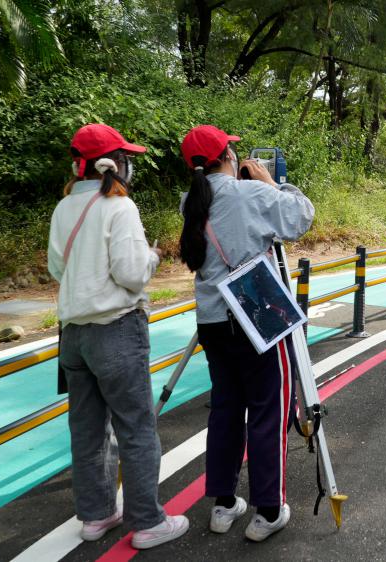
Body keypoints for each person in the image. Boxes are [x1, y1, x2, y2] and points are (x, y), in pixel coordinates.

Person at [48, 124, 189, 549]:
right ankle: (147, 522)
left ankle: (96, 515)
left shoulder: (63, 208)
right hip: (116, 330)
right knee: (136, 428)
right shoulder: (119, 207)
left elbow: (57, 269)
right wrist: (152, 257)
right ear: (116, 164)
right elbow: (129, 274)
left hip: (73, 336)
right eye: (127, 158)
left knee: (87, 431)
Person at [178, 125, 315, 542]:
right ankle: (268, 511)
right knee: (268, 411)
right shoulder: (251, 193)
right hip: (256, 316)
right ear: (227, 156)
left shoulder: (189, 202)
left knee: (225, 409)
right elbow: (301, 217)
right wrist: (272, 182)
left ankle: (223, 505)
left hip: (212, 322)